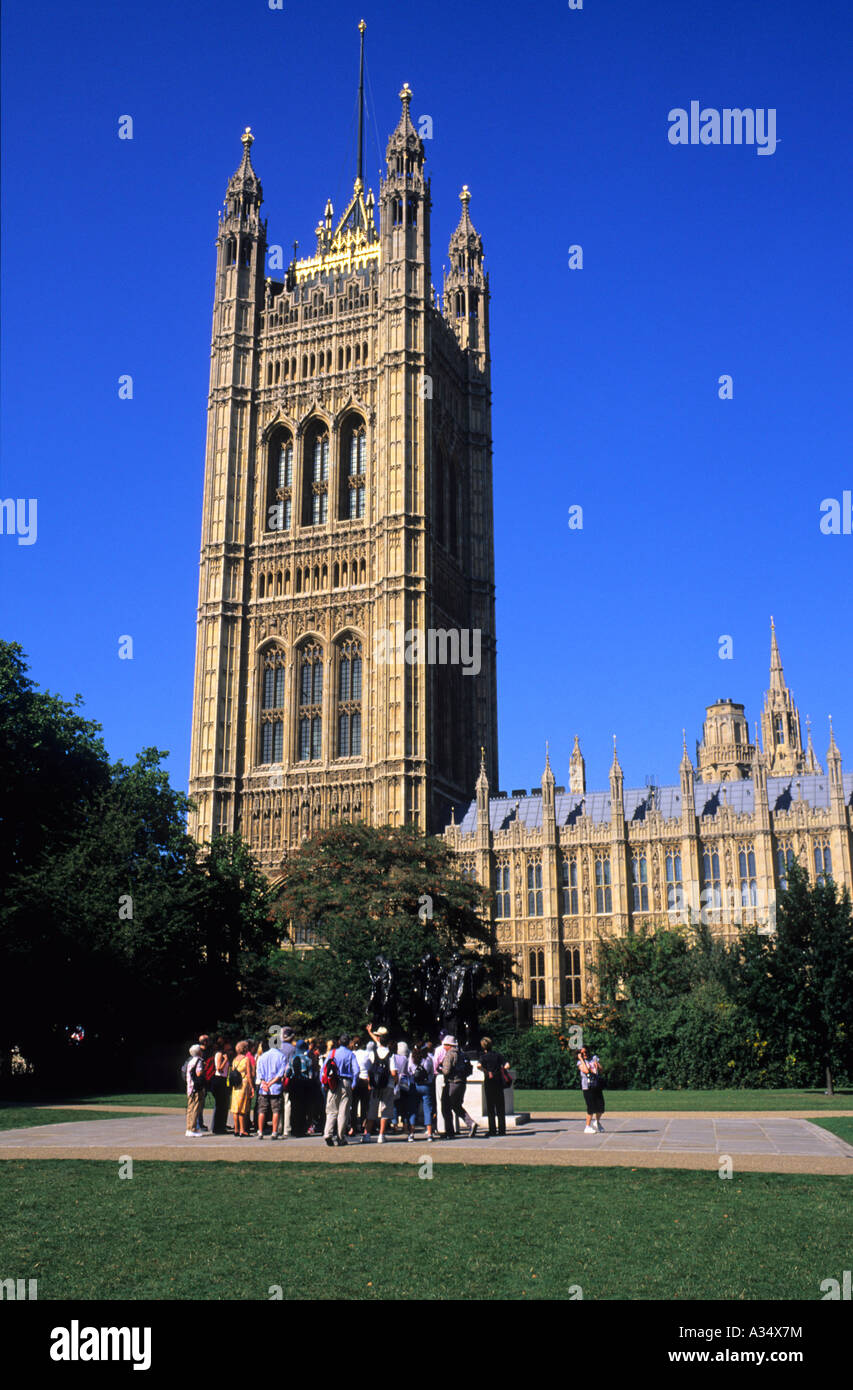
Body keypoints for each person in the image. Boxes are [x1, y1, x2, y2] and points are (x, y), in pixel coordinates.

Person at [363, 1024, 397, 1144]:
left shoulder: (373, 1053)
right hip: (387, 1085)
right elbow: (393, 1072)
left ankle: (367, 1135)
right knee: (385, 1110)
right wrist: (396, 1081)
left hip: (375, 1085)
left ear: (379, 1039)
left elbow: (368, 1068)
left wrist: (369, 1081)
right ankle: (381, 1135)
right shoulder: (391, 1054)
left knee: (372, 1109)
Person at [323, 1034, 358, 1146]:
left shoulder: (332, 1053)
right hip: (345, 1081)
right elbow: (356, 1070)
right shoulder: (350, 1054)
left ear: (339, 1042)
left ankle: (328, 1133)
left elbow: (324, 1068)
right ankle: (340, 1136)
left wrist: (324, 1082)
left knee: (331, 1110)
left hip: (333, 1082)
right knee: (343, 1111)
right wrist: (354, 1083)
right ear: (348, 1043)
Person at [439, 1036, 478, 1139]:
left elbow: (446, 1071)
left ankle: (450, 1132)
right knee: (456, 1106)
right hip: (462, 1083)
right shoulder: (462, 1054)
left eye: (445, 1045)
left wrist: (440, 1068)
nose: (444, 1047)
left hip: (452, 1083)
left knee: (445, 1107)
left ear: (448, 1045)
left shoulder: (449, 1054)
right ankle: (471, 1123)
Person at [477, 1036, 511, 1137]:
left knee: (490, 1107)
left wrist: (486, 1071)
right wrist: (501, 1070)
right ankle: (502, 1129)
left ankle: (492, 1130)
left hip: (489, 1081)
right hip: (498, 1081)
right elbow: (507, 1065)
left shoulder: (483, 1057)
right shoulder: (498, 1055)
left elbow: (478, 1065)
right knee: (500, 1106)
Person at [255, 1037, 285, 1140]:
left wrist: (264, 1083)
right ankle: (274, 1131)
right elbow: (280, 1074)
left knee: (262, 1110)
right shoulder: (281, 1056)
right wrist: (271, 1083)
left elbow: (259, 1073)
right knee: (275, 1110)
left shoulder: (262, 1057)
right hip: (275, 1087)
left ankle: (260, 1131)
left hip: (263, 1087)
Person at [408, 1043, 436, 1141]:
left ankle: (411, 1134)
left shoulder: (411, 1059)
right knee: (428, 1109)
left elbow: (408, 1071)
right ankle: (429, 1133)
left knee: (413, 1109)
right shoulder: (428, 1060)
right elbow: (432, 1073)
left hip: (414, 1086)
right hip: (426, 1085)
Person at [577, 1045, 605, 1133]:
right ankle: (587, 1126)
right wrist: (581, 1059)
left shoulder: (593, 1059)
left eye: (586, 1052)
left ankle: (597, 1122)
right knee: (591, 1107)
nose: (585, 1054)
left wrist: (598, 1065)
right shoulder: (580, 1062)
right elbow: (585, 1070)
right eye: (582, 1053)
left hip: (596, 1085)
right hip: (587, 1087)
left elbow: (601, 1070)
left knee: (601, 1107)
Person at [229, 1040, 254, 1137]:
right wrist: (252, 1087)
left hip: (236, 1085)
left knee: (236, 1108)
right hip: (243, 1084)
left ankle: (236, 1129)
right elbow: (248, 1074)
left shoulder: (234, 1060)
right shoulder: (246, 1059)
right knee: (242, 1108)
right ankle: (242, 1130)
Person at [351, 1036, 373, 1135]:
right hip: (365, 1081)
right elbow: (369, 1068)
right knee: (365, 1106)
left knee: (354, 1106)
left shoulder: (352, 1054)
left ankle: (353, 1126)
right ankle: (364, 1125)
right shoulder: (366, 1054)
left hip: (355, 1082)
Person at [211, 1039, 231, 1135]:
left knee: (223, 1104)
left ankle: (221, 1125)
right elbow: (219, 1068)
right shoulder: (219, 1054)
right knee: (220, 1104)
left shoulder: (225, 1054)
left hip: (224, 1080)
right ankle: (217, 1127)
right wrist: (226, 1060)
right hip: (219, 1080)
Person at [392, 1041, 411, 1132]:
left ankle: (395, 1124)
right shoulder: (406, 1059)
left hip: (395, 1081)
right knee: (405, 1105)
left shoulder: (394, 1057)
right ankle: (405, 1124)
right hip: (404, 1082)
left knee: (394, 1104)